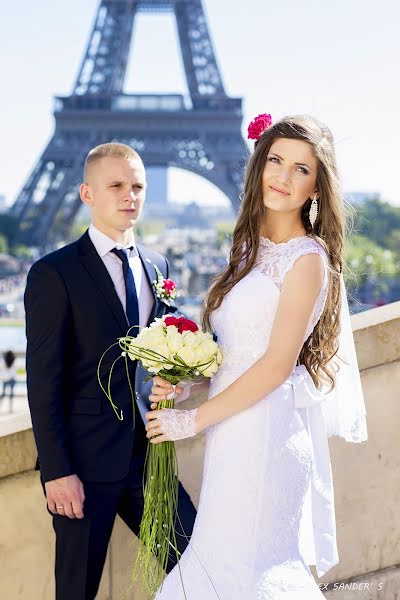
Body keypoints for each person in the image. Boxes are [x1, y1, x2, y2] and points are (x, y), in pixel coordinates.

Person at [146, 114, 368, 599]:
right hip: (234, 432)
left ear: (316, 188)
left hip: (265, 433)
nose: (284, 178)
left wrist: (193, 420)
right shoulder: (249, 249)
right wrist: (191, 384)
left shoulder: (307, 260)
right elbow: (235, 354)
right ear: (259, 165)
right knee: (223, 566)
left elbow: (274, 366)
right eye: (276, 161)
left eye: (301, 169)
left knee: (245, 570)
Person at [24, 143, 196, 600]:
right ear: (86, 193)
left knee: (200, 568)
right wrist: (57, 471)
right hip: (82, 466)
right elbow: (43, 380)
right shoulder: (53, 273)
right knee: (76, 591)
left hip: (148, 462)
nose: (130, 195)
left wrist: (174, 379)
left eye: (137, 186)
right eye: (116, 185)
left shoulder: (158, 266)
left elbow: (164, 349)